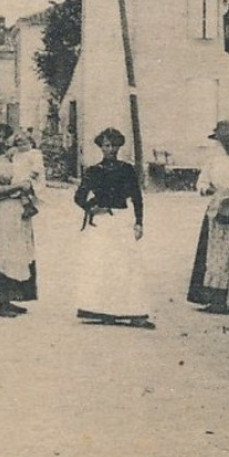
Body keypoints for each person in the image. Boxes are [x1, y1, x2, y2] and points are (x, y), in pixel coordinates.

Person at [73, 127, 154, 329]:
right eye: (107, 145)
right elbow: (79, 197)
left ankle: (131, 311)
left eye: (114, 145)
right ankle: (101, 309)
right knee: (101, 266)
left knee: (126, 265)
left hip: (120, 220)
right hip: (101, 224)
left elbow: (137, 197)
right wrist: (92, 207)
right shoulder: (93, 171)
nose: (111, 149)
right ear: (101, 147)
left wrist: (139, 222)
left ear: (119, 146)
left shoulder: (126, 170)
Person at [186, 118, 229, 313]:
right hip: (217, 211)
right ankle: (215, 299)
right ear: (220, 140)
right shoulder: (213, 161)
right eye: (226, 139)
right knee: (214, 254)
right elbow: (202, 183)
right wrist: (206, 189)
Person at [0, 122, 39, 318]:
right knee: (3, 253)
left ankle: (15, 297)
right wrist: (18, 185)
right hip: (4, 209)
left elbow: (31, 168)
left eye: (3, 136)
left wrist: (29, 184)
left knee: (21, 251)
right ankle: (1, 301)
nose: (0, 140)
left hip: (22, 206)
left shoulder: (13, 155)